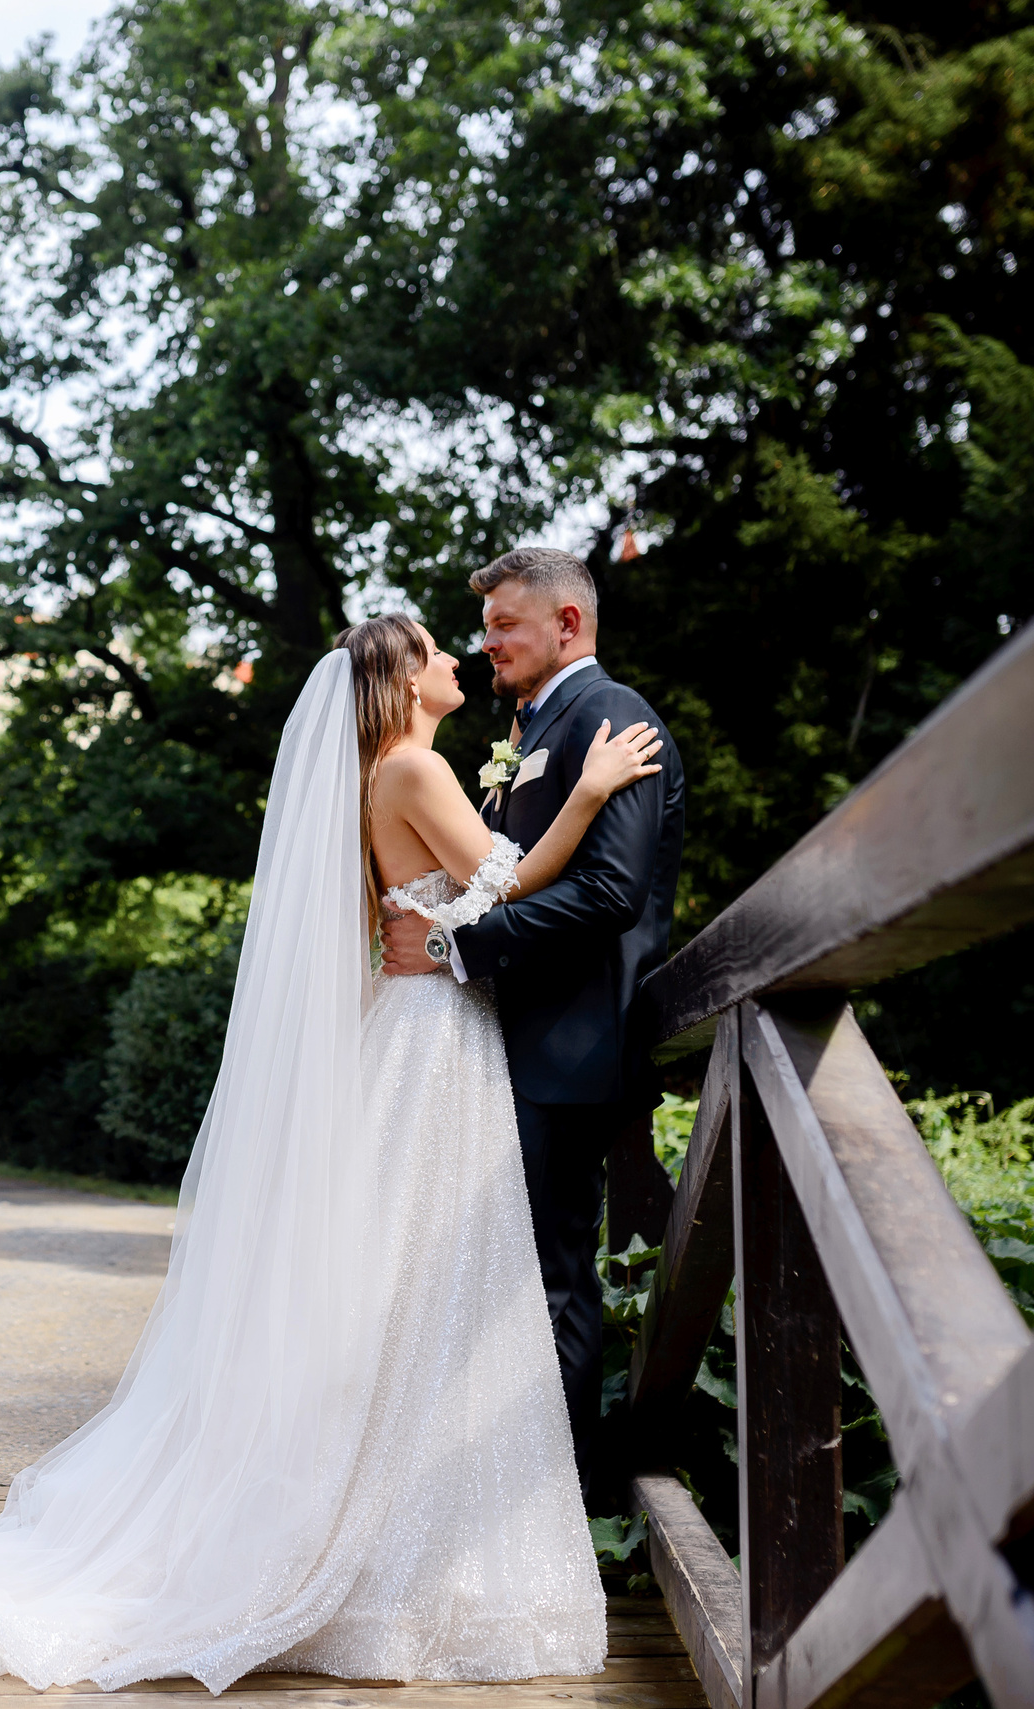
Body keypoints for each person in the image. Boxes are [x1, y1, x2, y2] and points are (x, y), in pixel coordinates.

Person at [0, 610, 664, 1695]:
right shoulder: (411, 770)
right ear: (400, 682)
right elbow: (509, 878)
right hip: (435, 1041)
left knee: (405, 1290)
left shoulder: (385, 771)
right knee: (424, 1291)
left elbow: (453, 902)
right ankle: (408, 1562)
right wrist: (586, 793)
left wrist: (443, 926)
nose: (456, 661)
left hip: (420, 1028)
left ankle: (406, 1552)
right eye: (438, 650)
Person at [379, 547, 687, 1513]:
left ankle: (557, 1515)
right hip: (506, 1042)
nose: (487, 642)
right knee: (495, 1280)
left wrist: (455, 948)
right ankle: (489, 1498)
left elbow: (606, 893)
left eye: (504, 624)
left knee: (550, 1283)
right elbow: (505, 866)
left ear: (567, 624)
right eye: (483, 627)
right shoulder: (534, 726)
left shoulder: (613, 718)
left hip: (571, 1045)